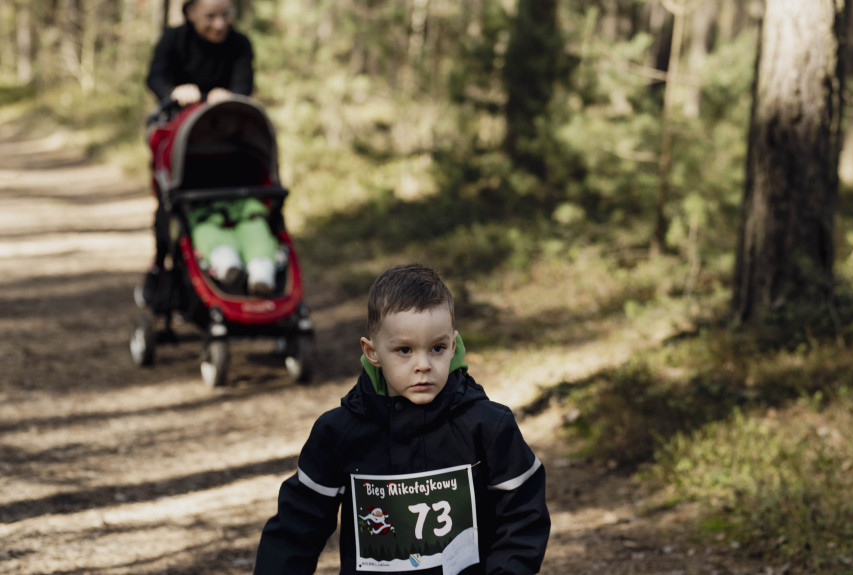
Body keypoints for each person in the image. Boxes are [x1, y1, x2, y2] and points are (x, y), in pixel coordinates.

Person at [254, 264, 550, 574]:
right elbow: (295, 529)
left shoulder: (488, 426)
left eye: (436, 348)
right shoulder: (339, 433)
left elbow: (523, 517)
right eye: (404, 350)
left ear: (453, 345)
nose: (423, 364)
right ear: (372, 352)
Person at [139, 0, 276, 300]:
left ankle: (261, 264)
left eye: (227, 15)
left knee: (254, 211)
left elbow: (244, 85)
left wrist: (229, 96)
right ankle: (161, 266)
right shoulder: (173, 40)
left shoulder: (239, 44)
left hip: (230, 143)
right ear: (190, 13)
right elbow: (156, 77)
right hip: (182, 144)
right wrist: (174, 92)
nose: (219, 24)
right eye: (210, 17)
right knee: (167, 208)